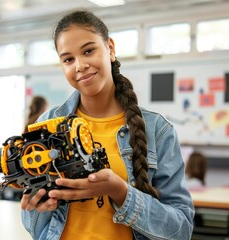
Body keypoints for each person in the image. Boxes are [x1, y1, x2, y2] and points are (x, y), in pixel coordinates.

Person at [20, 9, 194, 240]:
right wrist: (36, 206)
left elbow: (181, 230)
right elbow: (35, 226)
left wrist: (120, 192)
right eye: (68, 59)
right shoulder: (47, 125)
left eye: (88, 51)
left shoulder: (157, 130)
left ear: (110, 49)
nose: (80, 65)